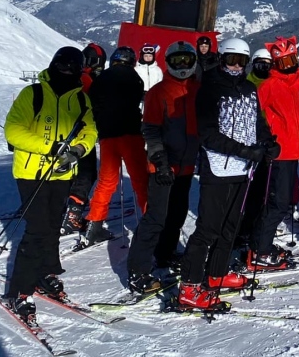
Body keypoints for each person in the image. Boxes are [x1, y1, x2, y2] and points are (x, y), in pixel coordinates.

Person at [176, 38, 279, 311]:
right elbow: (208, 135)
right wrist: (245, 151)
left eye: (241, 61)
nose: (236, 66)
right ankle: (189, 286)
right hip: (217, 167)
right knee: (208, 228)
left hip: (243, 170)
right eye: (231, 59)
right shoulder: (209, 88)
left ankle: (217, 273)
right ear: (222, 59)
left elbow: (258, 121)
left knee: (230, 227)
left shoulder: (247, 88)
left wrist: (268, 142)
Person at [1, 46, 98, 323]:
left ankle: (45, 272)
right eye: (61, 65)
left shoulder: (80, 100)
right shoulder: (33, 94)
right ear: (53, 65)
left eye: (71, 67)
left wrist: (78, 150)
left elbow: (90, 130)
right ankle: (20, 289)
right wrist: (51, 147)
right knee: (37, 230)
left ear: (79, 71)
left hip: (62, 174)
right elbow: (14, 131)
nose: (65, 71)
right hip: (31, 173)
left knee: (52, 225)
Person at [127, 41, 202, 294]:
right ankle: (138, 270)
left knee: (178, 213)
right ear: (168, 63)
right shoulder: (158, 92)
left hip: (187, 165)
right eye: (177, 61)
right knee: (156, 218)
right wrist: (160, 161)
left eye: (186, 61)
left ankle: (165, 253)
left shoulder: (197, 89)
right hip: (163, 166)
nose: (182, 66)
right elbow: (150, 129)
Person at [249, 36, 299, 270]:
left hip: (295, 149)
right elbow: (255, 115)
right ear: (275, 63)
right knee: (277, 202)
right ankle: (260, 249)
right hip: (279, 151)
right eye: (283, 62)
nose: (288, 65)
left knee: (281, 201)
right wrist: (265, 138)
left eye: (291, 60)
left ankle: (260, 243)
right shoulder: (269, 85)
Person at [83, 46, 148, 245]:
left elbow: (92, 101)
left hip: (107, 136)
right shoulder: (135, 78)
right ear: (132, 61)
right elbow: (137, 98)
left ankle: (95, 224)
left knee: (106, 182)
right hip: (131, 135)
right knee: (140, 181)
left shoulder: (101, 78)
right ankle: (149, 223)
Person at [59, 43, 109, 235]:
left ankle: (60, 210)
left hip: (60, 133)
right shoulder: (87, 80)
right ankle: (73, 215)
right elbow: (95, 107)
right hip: (80, 135)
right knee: (85, 174)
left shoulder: (70, 76)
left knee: (65, 173)